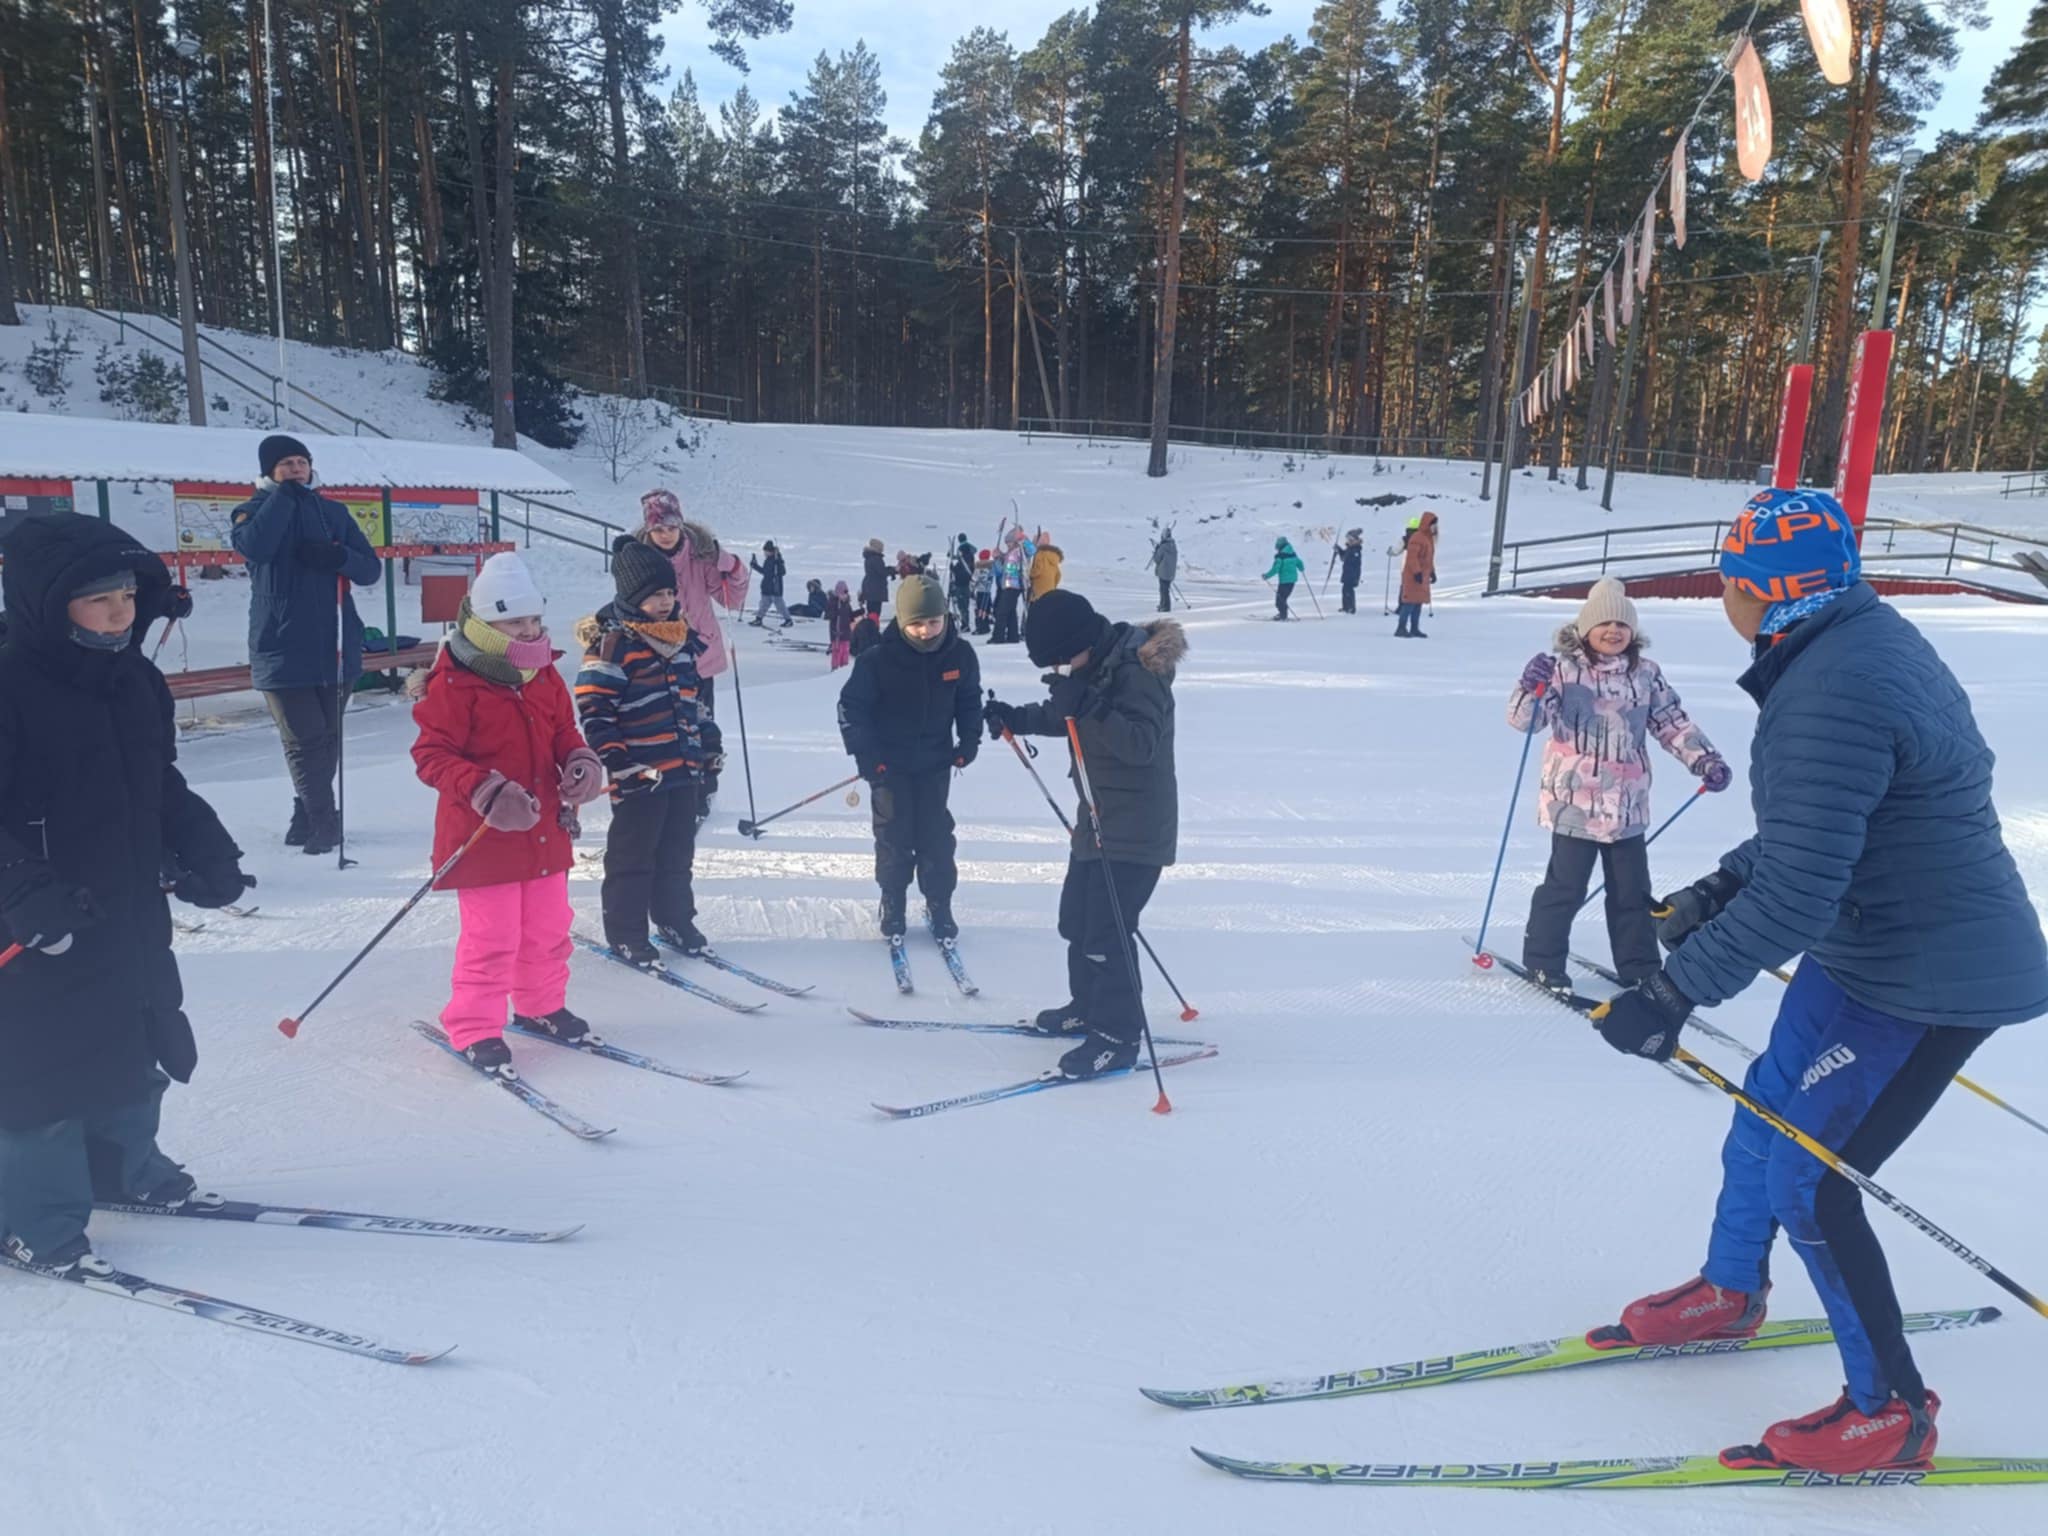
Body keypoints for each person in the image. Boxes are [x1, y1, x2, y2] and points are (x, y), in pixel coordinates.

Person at [1588, 489, 2048, 1474]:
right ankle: (1728, 1291)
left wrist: (1670, 996)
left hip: (1926, 975)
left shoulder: (1833, 683)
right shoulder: (1855, 638)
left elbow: (1800, 891)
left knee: (1812, 1179)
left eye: (1730, 579)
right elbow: (1834, 823)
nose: (1722, 594)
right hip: (1868, 945)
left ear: (1766, 594)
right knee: (1765, 1110)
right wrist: (1724, 884)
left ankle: (1892, 1415)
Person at [0, 516, 253, 1275]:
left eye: (128, 597)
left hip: (128, 904)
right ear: (49, 603)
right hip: (40, 919)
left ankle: (121, 1168)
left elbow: (156, 778)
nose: (119, 613)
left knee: (132, 1039)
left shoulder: (134, 680)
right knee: (41, 1070)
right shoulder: (9, 686)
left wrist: (203, 845)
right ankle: (31, 1217)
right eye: (98, 600)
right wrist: (23, 892)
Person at [410, 552, 607, 1069]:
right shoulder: (455, 681)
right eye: (515, 621)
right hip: (483, 836)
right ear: (484, 623)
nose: (529, 630)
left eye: (534, 618)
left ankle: (541, 1006)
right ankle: (474, 1026)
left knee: (548, 929)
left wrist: (580, 760)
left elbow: (563, 730)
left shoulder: (542, 672)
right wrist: (485, 791)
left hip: (544, 829)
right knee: (492, 937)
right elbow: (431, 755)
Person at [984, 590, 1184, 1080]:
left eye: (1061, 659)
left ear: (1083, 643)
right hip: (1097, 820)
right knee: (1076, 920)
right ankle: (1088, 1007)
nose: (1062, 669)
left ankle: (1117, 1037)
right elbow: (1064, 714)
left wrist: (1091, 706)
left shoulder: (1138, 672)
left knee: (1106, 932)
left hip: (1136, 830)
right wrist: (1016, 717)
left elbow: (1141, 744)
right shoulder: (1096, 665)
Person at [1508, 578, 1727, 995]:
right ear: (1585, 628)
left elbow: (1672, 723)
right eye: (1604, 623)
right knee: (1566, 887)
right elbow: (1525, 721)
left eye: (1622, 624)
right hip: (1573, 802)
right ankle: (1543, 961)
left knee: (1632, 892)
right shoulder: (1563, 671)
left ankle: (1639, 967)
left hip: (1628, 805)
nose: (1614, 631)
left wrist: (1705, 758)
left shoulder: (1646, 674)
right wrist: (1529, 686)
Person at [229, 433, 381, 855]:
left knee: (327, 736)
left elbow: (370, 569)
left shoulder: (332, 512)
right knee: (304, 739)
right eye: (286, 464)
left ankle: (305, 811)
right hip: (280, 643)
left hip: (335, 641)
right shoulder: (251, 510)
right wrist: (284, 498)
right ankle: (324, 821)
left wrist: (339, 557)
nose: (296, 469)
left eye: (301, 462)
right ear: (270, 471)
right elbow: (256, 548)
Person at [576, 540, 723, 968]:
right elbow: (595, 711)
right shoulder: (613, 646)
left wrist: (708, 743)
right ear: (631, 597)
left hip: (683, 769)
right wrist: (618, 762)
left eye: (670, 592)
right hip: (640, 774)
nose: (666, 601)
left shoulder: (681, 640)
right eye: (655, 594)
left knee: (677, 853)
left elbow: (694, 702)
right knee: (634, 856)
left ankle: (675, 919)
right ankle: (626, 932)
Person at [836, 575, 981, 944]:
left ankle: (938, 902)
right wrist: (866, 753)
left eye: (934, 621)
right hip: (889, 766)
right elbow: (852, 708)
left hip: (935, 762)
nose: (926, 631)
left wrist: (969, 740)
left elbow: (968, 701)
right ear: (901, 621)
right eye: (917, 624)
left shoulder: (960, 655)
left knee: (936, 836)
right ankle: (893, 899)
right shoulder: (877, 660)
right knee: (893, 834)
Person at [635, 490, 747, 808]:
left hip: (699, 659)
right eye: (658, 528)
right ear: (648, 530)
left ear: (681, 526)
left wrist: (732, 567)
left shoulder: (700, 557)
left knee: (701, 727)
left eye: (671, 527)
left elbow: (731, 599)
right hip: (657, 659)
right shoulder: (639, 560)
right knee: (663, 727)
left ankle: (703, 790)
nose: (665, 534)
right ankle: (669, 788)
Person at [1395, 511, 1438, 637]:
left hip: (1422, 575)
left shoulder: (1428, 539)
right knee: (1409, 603)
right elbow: (1412, 558)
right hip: (1413, 576)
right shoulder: (1417, 538)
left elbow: (1428, 559)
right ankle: (1401, 628)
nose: (1435, 527)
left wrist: (1432, 572)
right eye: (1433, 525)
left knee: (1418, 602)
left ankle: (1414, 628)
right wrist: (1417, 572)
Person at [992, 526, 1033, 644]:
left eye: (1009, 542)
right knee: (1010, 611)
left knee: (1002, 611)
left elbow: (1032, 550)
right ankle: (1012, 636)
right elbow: (1001, 570)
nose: (1008, 545)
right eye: (1006, 543)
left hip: (1015, 585)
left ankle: (998, 637)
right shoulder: (1009, 554)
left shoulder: (1020, 551)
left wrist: (1023, 539)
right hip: (1007, 585)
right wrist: (997, 558)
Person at [748, 540, 791, 628]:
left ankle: (788, 620)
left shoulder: (777, 560)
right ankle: (758, 619)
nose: (764, 553)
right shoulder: (768, 560)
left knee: (780, 606)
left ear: (770, 551)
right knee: (763, 605)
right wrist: (754, 565)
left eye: (766, 551)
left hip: (775, 588)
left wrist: (778, 562)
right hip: (767, 587)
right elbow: (765, 572)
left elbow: (782, 572)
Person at [1263, 537, 1305, 620]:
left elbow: (1275, 569)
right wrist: (1301, 568)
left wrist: (1266, 576)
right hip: (1292, 581)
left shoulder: (1280, 557)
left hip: (1284, 581)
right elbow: (1300, 563)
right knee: (1282, 599)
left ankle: (1283, 616)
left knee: (1279, 601)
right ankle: (1283, 614)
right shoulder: (1292, 554)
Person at [826, 580, 856, 671]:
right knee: (837, 652)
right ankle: (835, 668)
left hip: (846, 632)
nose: (844, 596)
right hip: (836, 633)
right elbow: (828, 615)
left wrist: (859, 612)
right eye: (842, 594)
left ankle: (844, 668)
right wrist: (836, 613)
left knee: (845, 651)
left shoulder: (847, 604)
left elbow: (850, 616)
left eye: (845, 594)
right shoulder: (833, 603)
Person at [948, 535, 976, 630]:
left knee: (961, 605)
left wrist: (952, 568)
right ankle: (965, 623)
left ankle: (965, 624)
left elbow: (958, 571)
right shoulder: (971, 557)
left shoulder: (962, 561)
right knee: (965, 605)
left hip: (960, 584)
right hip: (967, 584)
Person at [1149, 528, 1178, 613]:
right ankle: (1163, 605)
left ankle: (1165, 607)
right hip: (1171, 572)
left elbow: (1157, 559)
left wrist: (1156, 550)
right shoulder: (1173, 546)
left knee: (1163, 590)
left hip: (1163, 572)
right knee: (1165, 589)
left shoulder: (1163, 547)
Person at [1029, 531, 1064, 602]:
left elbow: (1037, 570)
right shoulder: (1054, 556)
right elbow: (1058, 575)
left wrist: (1029, 574)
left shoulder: (1040, 554)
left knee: (1037, 607)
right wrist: (1053, 585)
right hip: (1050, 590)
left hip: (1039, 589)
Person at [860, 538, 890, 619]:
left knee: (871, 612)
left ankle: (871, 625)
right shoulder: (876, 558)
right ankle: (873, 626)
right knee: (875, 613)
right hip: (876, 590)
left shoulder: (869, 558)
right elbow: (882, 572)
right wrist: (894, 570)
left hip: (870, 589)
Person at [1337, 529, 1364, 615]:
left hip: (1352, 574)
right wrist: (1339, 550)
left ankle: (1351, 607)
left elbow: (1350, 560)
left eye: (1350, 539)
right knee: (1345, 589)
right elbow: (1343, 557)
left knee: (1349, 590)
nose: (1348, 541)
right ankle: (1346, 607)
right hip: (1347, 572)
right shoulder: (1350, 549)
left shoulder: (1356, 550)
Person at [973, 550, 996, 635]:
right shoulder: (991, 567)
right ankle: (986, 626)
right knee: (986, 609)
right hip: (988, 591)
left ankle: (981, 627)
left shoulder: (978, 567)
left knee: (980, 609)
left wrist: (972, 589)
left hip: (980, 591)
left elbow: (974, 579)